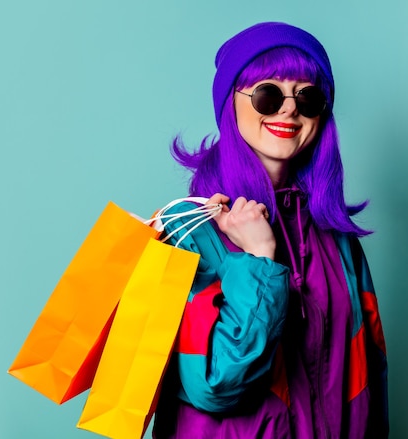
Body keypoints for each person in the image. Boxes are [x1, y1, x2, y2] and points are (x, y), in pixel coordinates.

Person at [152, 22, 389, 438]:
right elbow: (214, 386)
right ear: (232, 102)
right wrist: (260, 260)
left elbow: (370, 375)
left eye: (308, 97)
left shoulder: (336, 237)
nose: (289, 110)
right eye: (268, 94)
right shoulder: (186, 231)